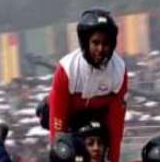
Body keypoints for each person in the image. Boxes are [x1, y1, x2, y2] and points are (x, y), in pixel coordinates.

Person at [48, 9, 128, 162]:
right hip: (68, 114)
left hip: (99, 115)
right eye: (95, 43)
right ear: (85, 43)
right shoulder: (67, 68)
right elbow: (58, 126)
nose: (100, 49)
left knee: (99, 141)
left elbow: (116, 123)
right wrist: (59, 153)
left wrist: (113, 159)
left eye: (106, 44)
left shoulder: (119, 70)